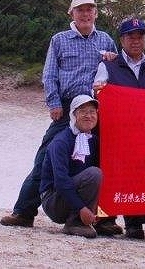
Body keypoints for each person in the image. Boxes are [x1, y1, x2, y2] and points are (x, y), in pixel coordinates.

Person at [0, 0, 121, 236]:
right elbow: (49, 74)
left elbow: (116, 72)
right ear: (71, 13)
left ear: (96, 13)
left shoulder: (106, 40)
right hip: (67, 108)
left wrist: (113, 60)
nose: (85, 14)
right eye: (80, 10)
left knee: (103, 160)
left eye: (89, 10)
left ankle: (104, 219)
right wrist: (54, 103)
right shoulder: (59, 40)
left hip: (96, 109)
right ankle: (24, 211)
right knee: (46, 156)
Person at [93, 17, 145, 241]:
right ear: (121, 40)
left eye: (140, 36)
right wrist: (100, 91)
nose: (136, 40)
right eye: (130, 36)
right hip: (120, 133)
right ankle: (134, 225)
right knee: (129, 176)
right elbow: (97, 94)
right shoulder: (108, 65)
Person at [40, 94, 102, 238]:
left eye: (92, 112)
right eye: (83, 111)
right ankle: (76, 222)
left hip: (72, 195)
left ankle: (91, 220)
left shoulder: (93, 140)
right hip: (54, 200)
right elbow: (61, 181)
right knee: (94, 174)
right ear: (73, 115)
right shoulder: (61, 142)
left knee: (100, 172)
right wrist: (81, 208)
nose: (89, 116)